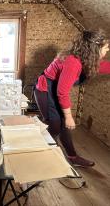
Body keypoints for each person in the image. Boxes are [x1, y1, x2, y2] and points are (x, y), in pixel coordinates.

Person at [34, 30, 110, 167]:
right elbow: (62, 92)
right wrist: (69, 116)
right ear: (94, 49)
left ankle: (72, 157)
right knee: (55, 126)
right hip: (45, 90)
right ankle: (37, 153)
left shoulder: (87, 59)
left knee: (62, 125)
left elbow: (102, 66)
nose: (108, 50)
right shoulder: (73, 62)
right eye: (105, 47)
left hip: (55, 89)